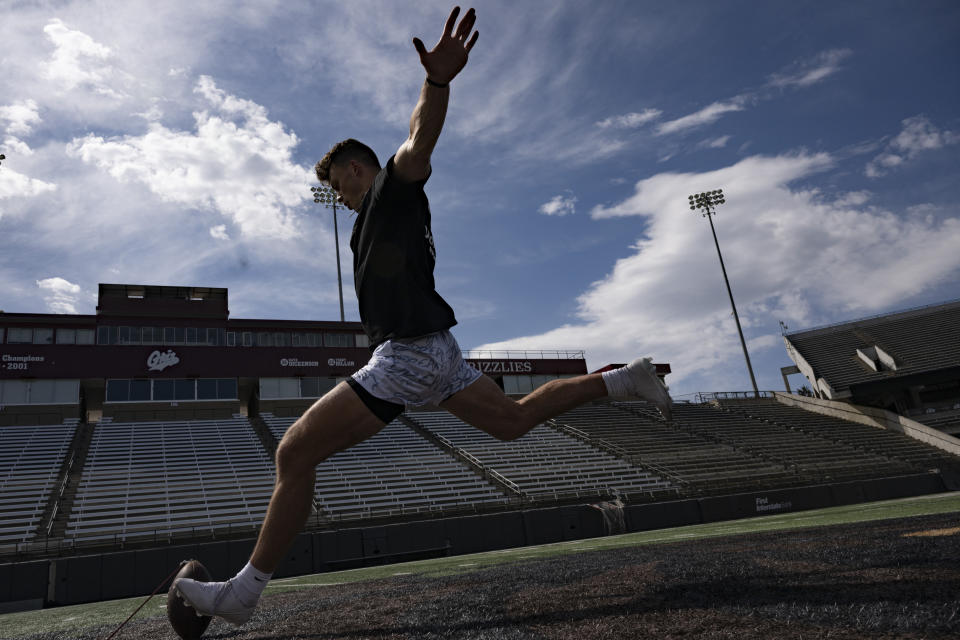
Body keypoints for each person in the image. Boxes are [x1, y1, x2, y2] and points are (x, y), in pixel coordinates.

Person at [175, 6, 670, 626]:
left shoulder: (389, 191)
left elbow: (417, 141)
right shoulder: (379, 215)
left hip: (409, 355)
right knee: (512, 422)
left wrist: (436, 84)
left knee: (293, 457)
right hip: (439, 350)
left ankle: (242, 595)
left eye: (338, 186)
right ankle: (623, 380)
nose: (340, 198)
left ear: (358, 169)